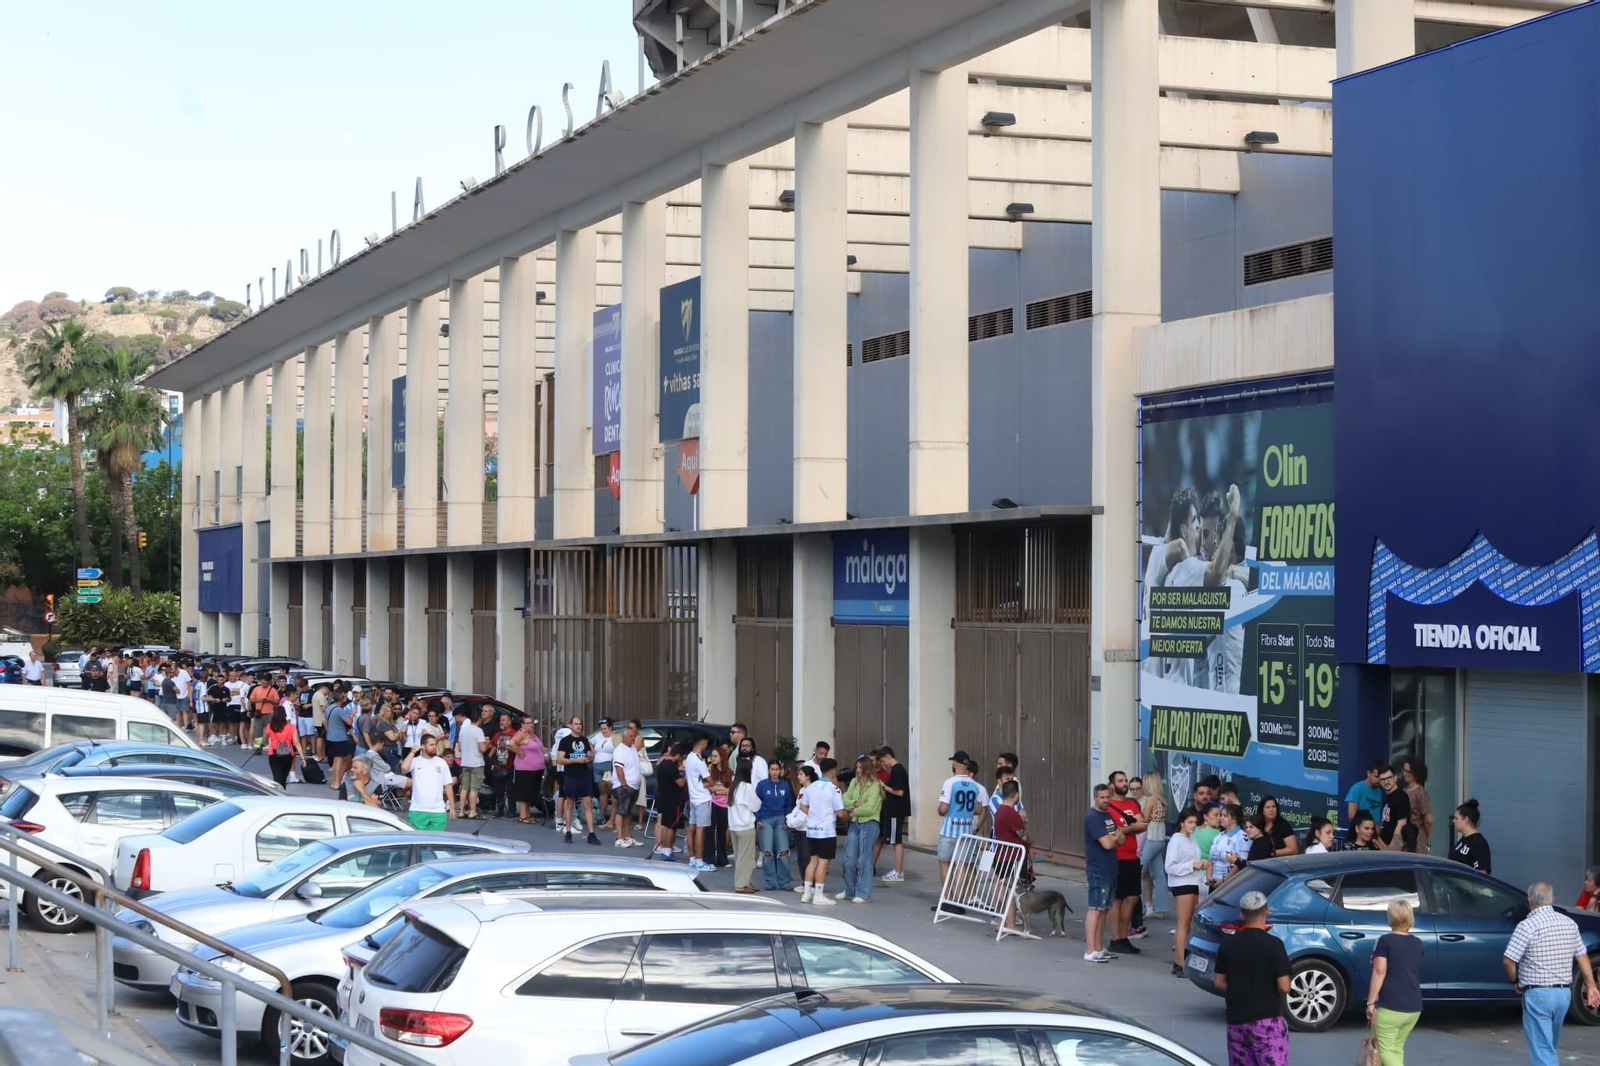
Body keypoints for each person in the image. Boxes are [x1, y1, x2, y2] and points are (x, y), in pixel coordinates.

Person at [1505, 882, 1600, 1066]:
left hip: (1538, 995)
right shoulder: (1569, 923)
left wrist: (1515, 981)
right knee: (1548, 1046)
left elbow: (1508, 961)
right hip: (1563, 995)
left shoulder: (1527, 926)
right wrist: (1591, 986)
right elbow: (1582, 956)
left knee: (1543, 1050)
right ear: (1553, 899)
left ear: (1529, 900)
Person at [1214, 889, 1291, 1066]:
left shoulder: (1228, 944)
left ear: (1242, 914)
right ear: (1267, 911)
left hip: (1236, 1021)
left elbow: (1219, 982)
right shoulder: (1274, 945)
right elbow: (1284, 986)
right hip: (1266, 1021)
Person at [1365, 898, 1424, 1065]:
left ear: (1391, 917)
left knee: (1385, 1050)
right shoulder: (1417, 943)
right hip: (1414, 1006)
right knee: (1397, 1048)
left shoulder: (1385, 941)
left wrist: (1370, 1002)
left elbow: (1379, 971)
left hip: (1391, 1006)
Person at [1106, 770, 1148, 954]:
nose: (1124, 784)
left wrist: (1125, 828)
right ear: (1112, 785)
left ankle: (1124, 937)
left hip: (1133, 856)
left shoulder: (1132, 803)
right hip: (1116, 858)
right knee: (1117, 898)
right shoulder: (1108, 806)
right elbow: (1111, 832)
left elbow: (1143, 825)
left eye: (1125, 780)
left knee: (1132, 897)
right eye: (1120, 781)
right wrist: (1131, 827)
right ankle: (1116, 938)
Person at [935, 752, 989, 893]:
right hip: (966, 831)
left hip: (949, 831)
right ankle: (958, 899)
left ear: (955, 763)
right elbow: (979, 809)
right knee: (962, 865)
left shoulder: (950, 783)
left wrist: (940, 809)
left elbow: (943, 809)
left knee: (945, 863)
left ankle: (948, 897)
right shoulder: (975, 786)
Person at [1082, 783, 1124, 963]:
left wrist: (1114, 837)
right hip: (1098, 869)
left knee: (1104, 909)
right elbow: (1107, 844)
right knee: (1095, 909)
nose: (1106, 800)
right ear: (1095, 798)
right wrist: (1114, 837)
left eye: (1108, 797)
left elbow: (1121, 838)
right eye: (1102, 797)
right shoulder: (1093, 817)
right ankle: (1090, 950)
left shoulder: (1108, 816)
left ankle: (1099, 948)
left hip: (1110, 867)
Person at [1165, 807, 1208, 978]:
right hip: (1182, 883)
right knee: (1183, 924)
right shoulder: (1176, 839)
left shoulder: (1191, 839)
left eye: (1195, 823)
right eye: (1190, 822)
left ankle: (1181, 960)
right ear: (1182, 822)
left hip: (1193, 882)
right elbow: (1169, 867)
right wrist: (1192, 865)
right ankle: (1180, 962)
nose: (1193, 825)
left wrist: (1200, 864)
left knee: (1188, 924)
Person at [838, 754, 883, 903]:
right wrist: (856, 804)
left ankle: (863, 893)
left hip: (869, 824)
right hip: (855, 824)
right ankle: (849, 890)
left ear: (867, 769)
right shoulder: (853, 782)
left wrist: (853, 811)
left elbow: (870, 808)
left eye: (860, 768)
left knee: (864, 860)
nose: (857, 770)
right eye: (856, 767)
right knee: (848, 859)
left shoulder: (875, 785)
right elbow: (844, 800)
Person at [797, 760, 843, 905]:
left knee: (813, 861)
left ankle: (806, 894)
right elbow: (840, 812)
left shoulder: (810, 787)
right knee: (823, 863)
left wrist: (813, 815)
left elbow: (803, 806)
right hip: (827, 832)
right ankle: (818, 895)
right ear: (833, 771)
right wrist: (850, 815)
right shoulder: (834, 789)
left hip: (811, 830)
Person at [991, 780, 1029, 932]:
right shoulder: (1012, 814)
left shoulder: (1000, 811)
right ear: (1016, 795)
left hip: (1002, 854)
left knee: (1007, 891)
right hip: (1012, 856)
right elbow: (1023, 836)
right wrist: (1023, 822)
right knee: (1013, 891)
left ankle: (1002, 922)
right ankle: (1011, 924)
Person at [555, 716, 598, 844]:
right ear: (571, 725)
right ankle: (568, 832)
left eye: (580, 724)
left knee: (588, 803)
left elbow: (588, 756)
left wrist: (589, 758)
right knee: (570, 803)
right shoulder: (565, 741)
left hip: (584, 775)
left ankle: (591, 834)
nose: (578, 726)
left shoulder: (584, 740)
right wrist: (575, 760)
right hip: (571, 775)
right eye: (576, 724)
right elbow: (560, 759)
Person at [401, 733, 454, 831]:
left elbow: (448, 785)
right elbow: (404, 768)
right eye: (431, 745)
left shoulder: (441, 762)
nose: (435, 747)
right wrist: (413, 752)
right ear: (423, 746)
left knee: (436, 840)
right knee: (418, 839)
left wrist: (452, 807)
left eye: (435, 744)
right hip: (418, 810)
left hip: (438, 811)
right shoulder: (415, 761)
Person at [756, 759, 795, 890]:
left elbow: (789, 804)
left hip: (781, 820)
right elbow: (755, 803)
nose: (774, 772)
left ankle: (784, 881)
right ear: (768, 771)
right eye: (772, 769)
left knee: (783, 852)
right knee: (768, 852)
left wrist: (788, 820)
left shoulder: (785, 785)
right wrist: (758, 819)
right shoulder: (761, 785)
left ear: (780, 771)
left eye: (777, 769)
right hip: (765, 820)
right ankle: (770, 881)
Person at [875, 745, 910, 882]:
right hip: (894, 811)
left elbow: (899, 792)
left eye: (883, 761)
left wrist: (884, 786)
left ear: (888, 757)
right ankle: (897, 870)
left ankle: (899, 871)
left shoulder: (897, 770)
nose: (883, 764)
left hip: (896, 810)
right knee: (895, 840)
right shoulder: (897, 770)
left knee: (897, 841)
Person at [1140, 768, 1170, 920]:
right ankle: (1161, 909)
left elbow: (1144, 819)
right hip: (1160, 839)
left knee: (1138, 872)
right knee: (1159, 876)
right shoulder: (1161, 800)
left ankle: (1135, 907)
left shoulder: (1151, 799)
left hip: (1152, 838)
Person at [728, 758, 762, 893]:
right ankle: (741, 884)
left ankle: (747, 881)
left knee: (740, 856)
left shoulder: (733, 786)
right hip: (745, 826)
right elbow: (756, 806)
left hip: (734, 826)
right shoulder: (747, 787)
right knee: (746, 857)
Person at [683, 735, 714, 871]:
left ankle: (692, 859)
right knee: (701, 830)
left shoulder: (689, 758)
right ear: (704, 743)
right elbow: (711, 781)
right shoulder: (700, 761)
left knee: (692, 828)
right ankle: (700, 861)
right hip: (702, 798)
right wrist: (707, 782)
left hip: (693, 798)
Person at [610, 721, 643, 845]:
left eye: (634, 736)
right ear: (624, 737)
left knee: (628, 813)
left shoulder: (633, 749)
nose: (633, 738)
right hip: (624, 786)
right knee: (621, 811)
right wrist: (624, 784)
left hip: (633, 786)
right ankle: (619, 838)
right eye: (631, 736)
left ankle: (628, 837)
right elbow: (619, 768)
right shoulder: (620, 750)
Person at [653, 741, 687, 861]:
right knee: (671, 826)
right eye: (681, 757)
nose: (681, 759)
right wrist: (686, 776)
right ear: (678, 755)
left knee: (665, 825)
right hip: (674, 800)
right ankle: (668, 851)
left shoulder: (662, 764)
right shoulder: (672, 767)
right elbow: (681, 783)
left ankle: (664, 850)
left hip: (663, 798)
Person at [453, 707, 487, 820]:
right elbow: (483, 748)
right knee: (474, 789)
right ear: (479, 718)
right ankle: (472, 811)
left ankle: (462, 811)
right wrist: (486, 743)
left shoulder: (463, 730)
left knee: (464, 787)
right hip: (477, 763)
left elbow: (459, 747)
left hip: (465, 762)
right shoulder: (478, 731)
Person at [511, 718, 546, 825]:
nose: (531, 725)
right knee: (523, 792)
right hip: (525, 768)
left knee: (530, 792)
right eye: (528, 723)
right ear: (522, 724)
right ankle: (523, 816)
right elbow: (511, 743)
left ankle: (527, 814)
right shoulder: (521, 734)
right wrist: (520, 752)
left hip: (536, 769)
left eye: (532, 723)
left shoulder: (532, 735)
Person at [261, 706, 303, 789]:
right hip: (288, 754)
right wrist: (302, 757)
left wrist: (260, 746)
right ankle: (282, 790)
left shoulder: (270, 726)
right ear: (285, 715)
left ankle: (277, 793)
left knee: (277, 777)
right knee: (283, 778)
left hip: (274, 754)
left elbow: (264, 740)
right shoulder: (291, 727)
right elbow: (296, 743)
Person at [706, 743, 733, 868]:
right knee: (710, 831)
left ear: (722, 757)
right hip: (712, 803)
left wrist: (717, 790)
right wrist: (721, 790)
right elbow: (709, 788)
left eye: (715, 756)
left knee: (722, 832)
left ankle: (722, 859)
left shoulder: (729, 772)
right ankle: (709, 858)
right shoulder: (710, 771)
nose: (713, 758)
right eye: (712, 756)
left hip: (724, 805)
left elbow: (730, 789)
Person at [1208, 804, 1248, 887]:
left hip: (1231, 884)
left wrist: (1224, 881)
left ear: (1234, 819)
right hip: (1214, 882)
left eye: (1225, 816)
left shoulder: (1242, 837)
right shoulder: (1219, 836)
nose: (1220, 818)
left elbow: (1240, 864)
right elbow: (1210, 859)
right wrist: (1209, 877)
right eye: (1221, 815)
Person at [486, 712, 517, 818]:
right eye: (500, 720)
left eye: (503, 720)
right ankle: (500, 809)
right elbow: (492, 745)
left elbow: (518, 749)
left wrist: (506, 746)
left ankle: (512, 810)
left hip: (510, 766)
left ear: (509, 722)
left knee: (511, 790)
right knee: (498, 790)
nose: (501, 722)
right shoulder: (497, 734)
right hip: (498, 766)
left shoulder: (514, 734)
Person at [1449, 799, 1490, 873]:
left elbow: (1482, 873)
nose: (1453, 821)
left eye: (1456, 818)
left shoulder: (1479, 843)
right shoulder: (1463, 840)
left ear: (1466, 820)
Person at [1402, 756, 1433, 853]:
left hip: (1416, 838)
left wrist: (1425, 837)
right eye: (1404, 770)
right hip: (1404, 835)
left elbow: (1428, 820)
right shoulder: (1404, 791)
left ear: (1416, 773)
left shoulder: (1420, 793)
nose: (1404, 774)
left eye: (1408, 771)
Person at [1377, 765, 1411, 850]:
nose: (1386, 781)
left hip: (1395, 848)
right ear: (1379, 782)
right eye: (1383, 779)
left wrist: (1394, 846)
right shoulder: (1387, 798)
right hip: (1385, 846)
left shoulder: (1400, 796)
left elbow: (1402, 823)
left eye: (1389, 778)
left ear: (1395, 778)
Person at [591, 718, 616, 826]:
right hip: (597, 765)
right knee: (602, 792)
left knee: (611, 791)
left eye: (605, 729)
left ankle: (613, 817)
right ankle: (601, 816)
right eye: (601, 729)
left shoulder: (614, 737)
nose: (603, 731)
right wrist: (593, 752)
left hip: (608, 765)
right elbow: (590, 743)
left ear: (610, 727)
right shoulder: (598, 736)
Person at [1346, 761, 1386, 826]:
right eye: (1376, 776)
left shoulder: (1379, 791)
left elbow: (1378, 816)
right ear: (1368, 773)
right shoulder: (1357, 788)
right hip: (1362, 829)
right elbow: (1351, 816)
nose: (1378, 780)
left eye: (1381, 778)